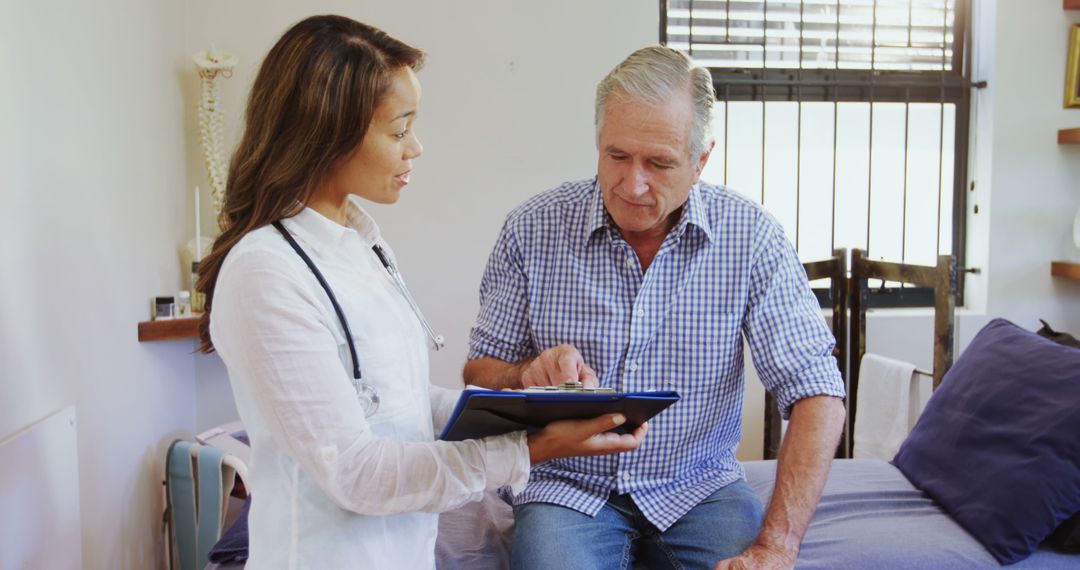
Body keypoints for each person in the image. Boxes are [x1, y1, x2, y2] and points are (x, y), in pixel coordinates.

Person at [195, 15, 646, 569]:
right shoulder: (264, 272)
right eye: (399, 129)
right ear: (329, 132)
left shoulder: (361, 245)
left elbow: (404, 406)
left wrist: (535, 410)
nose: (417, 148)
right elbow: (357, 473)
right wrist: (527, 449)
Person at [463, 45, 847, 570]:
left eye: (659, 163)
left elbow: (817, 392)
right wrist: (528, 372)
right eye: (616, 156)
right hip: (566, 486)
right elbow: (480, 372)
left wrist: (777, 546)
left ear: (700, 160)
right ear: (598, 142)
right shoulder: (532, 229)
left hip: (699, 486)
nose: (632, 184)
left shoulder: (752, 237)